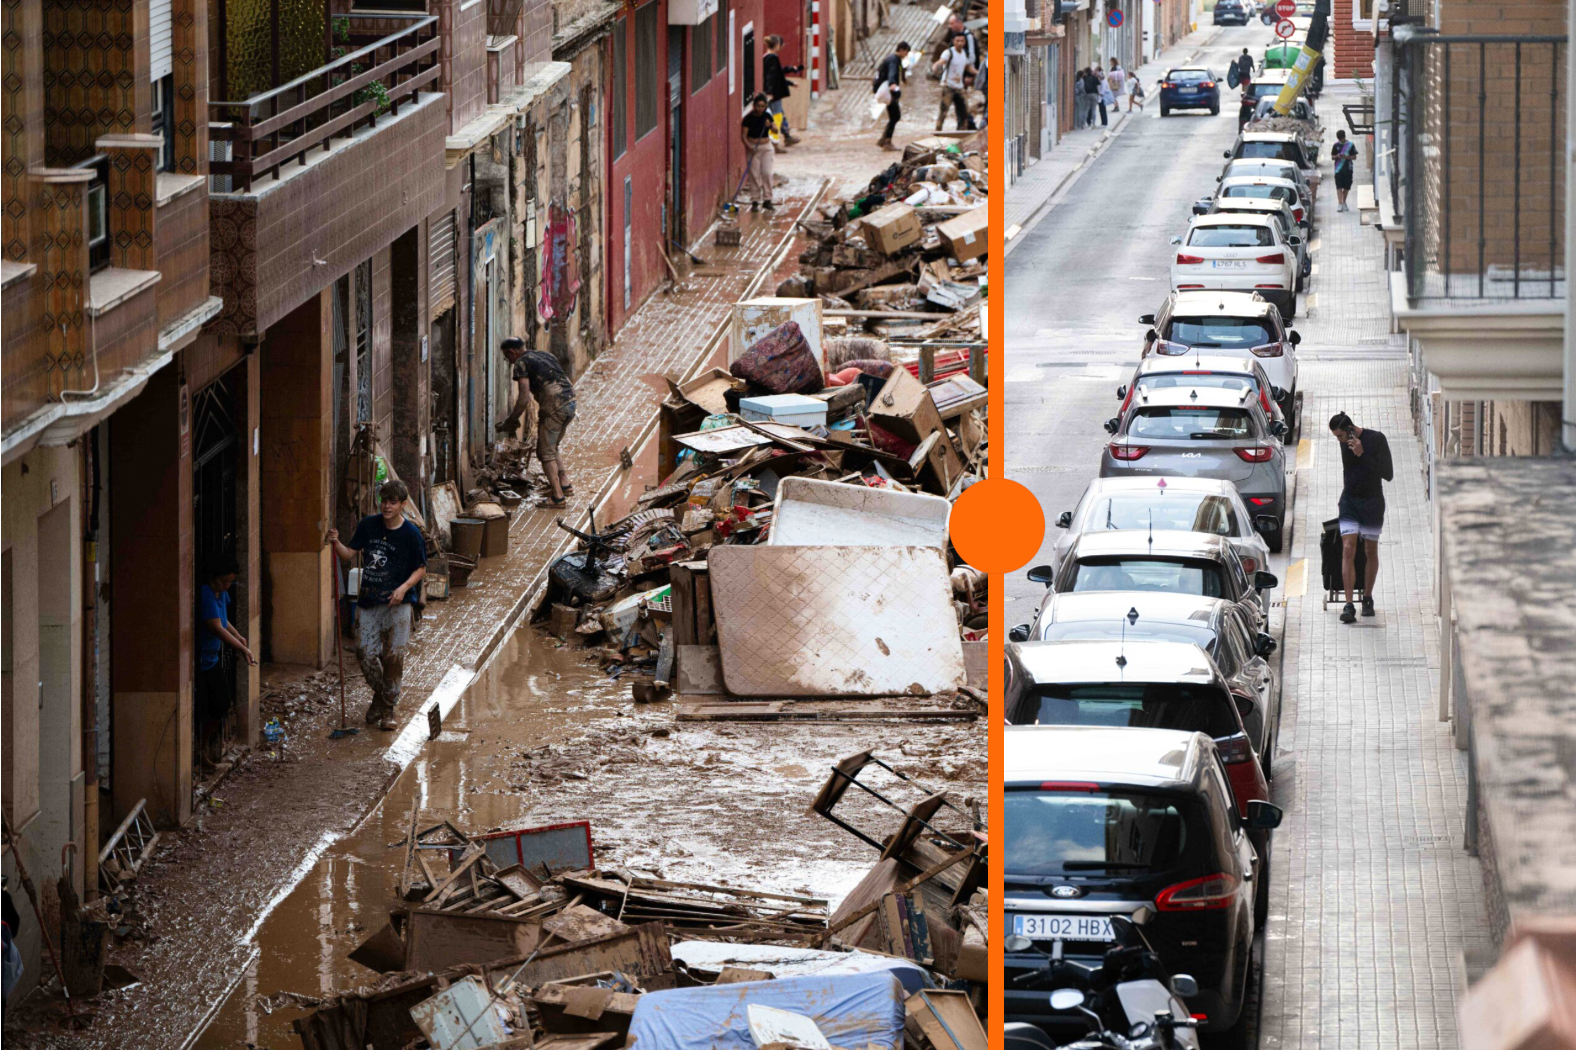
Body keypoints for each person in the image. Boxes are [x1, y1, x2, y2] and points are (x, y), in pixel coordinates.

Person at [327, 479, 426, 730]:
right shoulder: (367, 526)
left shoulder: (412, 534)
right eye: (384, 501)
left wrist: (403, 589)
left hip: (399, 605)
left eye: (393, 502)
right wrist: (336, 542)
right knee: (364, 652)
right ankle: (383, 697)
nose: (387, 506)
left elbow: (421, 569)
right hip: (369, 601)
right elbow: (349, 554)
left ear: (403, 505)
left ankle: (387, 709)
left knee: (393, 658)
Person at [497, 337, 579, 505]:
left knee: (544, 453)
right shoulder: (544, 355)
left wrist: (511, 420)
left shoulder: (521, 363)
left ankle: (557, 497)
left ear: (512, 353)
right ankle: (564, 484)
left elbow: (524, 398)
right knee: (552, 446)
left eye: (507, 358)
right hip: (570, 402)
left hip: (554, 407)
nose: (509, 362)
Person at [1330, 411, 1393, 624]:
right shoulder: (1344, 443)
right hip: (1349, 501)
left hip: (1373, 503)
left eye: (1339, 436)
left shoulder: (1377, 439)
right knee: (1348, 548)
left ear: (1350, 429)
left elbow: (1388, 474)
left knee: (1369, 549)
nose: (1338, 441)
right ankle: (1348, 604)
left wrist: (1362, 453)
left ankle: (1367, 598)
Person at [197, 555, 255, 771]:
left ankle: (203, 749)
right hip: (202, 662)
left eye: (230, 582)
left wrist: (239, 636)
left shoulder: (220, 592)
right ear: (213, 577)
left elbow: (224, 621)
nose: (227, 586)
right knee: (214, 705)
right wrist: (241, 648)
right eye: (224, 581)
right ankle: (200, 750)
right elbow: (215, 627)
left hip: (212, 658)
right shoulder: (205, 593)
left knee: (221, 704)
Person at [761, 36, 803, 148]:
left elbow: (777, 75)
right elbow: (771, 76)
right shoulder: (772, 58)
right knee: (776, 117)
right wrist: (770, 92)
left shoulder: (766, 57)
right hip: (773, 94)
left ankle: (787, 136)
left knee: (780, 115)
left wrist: (790, 82)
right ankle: (774, 143)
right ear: (776, 45)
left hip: (771, 93)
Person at [738, 93, 777, 210]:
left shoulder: (767, 116)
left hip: (766, 148)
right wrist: (749, 146)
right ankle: (755, 200)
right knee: (754, 174)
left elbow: (776, 130)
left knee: (767, 173)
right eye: (758, 106)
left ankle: (767, 199)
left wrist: (769, 126)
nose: (760, 108)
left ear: (765, 107)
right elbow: (743, 136)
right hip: (752, 148)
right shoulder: (748, 119)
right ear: (754, 106)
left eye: (762, 106)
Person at [932, 32, 977, 131]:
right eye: (958, 41)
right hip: (948, 86)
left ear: (965, 42)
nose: (960, 43)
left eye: (962, 41)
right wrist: (935, 66)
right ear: (953, 41)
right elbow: (941, 61)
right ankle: (937, 132)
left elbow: (967, 67)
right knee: (943, 111)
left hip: (959, 87)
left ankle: (961, 131)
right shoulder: (948, 53)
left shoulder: (964, 53)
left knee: (964, 112)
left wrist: (978, 73)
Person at [873, 41, 910, 149]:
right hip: (889, 91)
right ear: (902, 50)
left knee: (893, 116)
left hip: (884, 89)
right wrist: (894, 87)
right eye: (906, 52)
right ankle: (886, 141)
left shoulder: (891, 58)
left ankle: (884, 139)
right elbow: (892, 74)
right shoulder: (894, 60)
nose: (906, 55)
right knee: (895, 115)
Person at [1332, 129, 1359, 211]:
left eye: (1341, 138)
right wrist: (1337, 156)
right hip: (1338, 169)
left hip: (1348, 169)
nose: (1340, 140)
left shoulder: (1350, 145)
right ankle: (1340, 203)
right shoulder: (1335, 145)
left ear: (1344, 137)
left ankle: (1344, 201)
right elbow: (1332, 156)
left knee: (1347, 187)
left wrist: (1347, 157)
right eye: (1339, 139)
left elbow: (1354, 157)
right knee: (1339, 186)